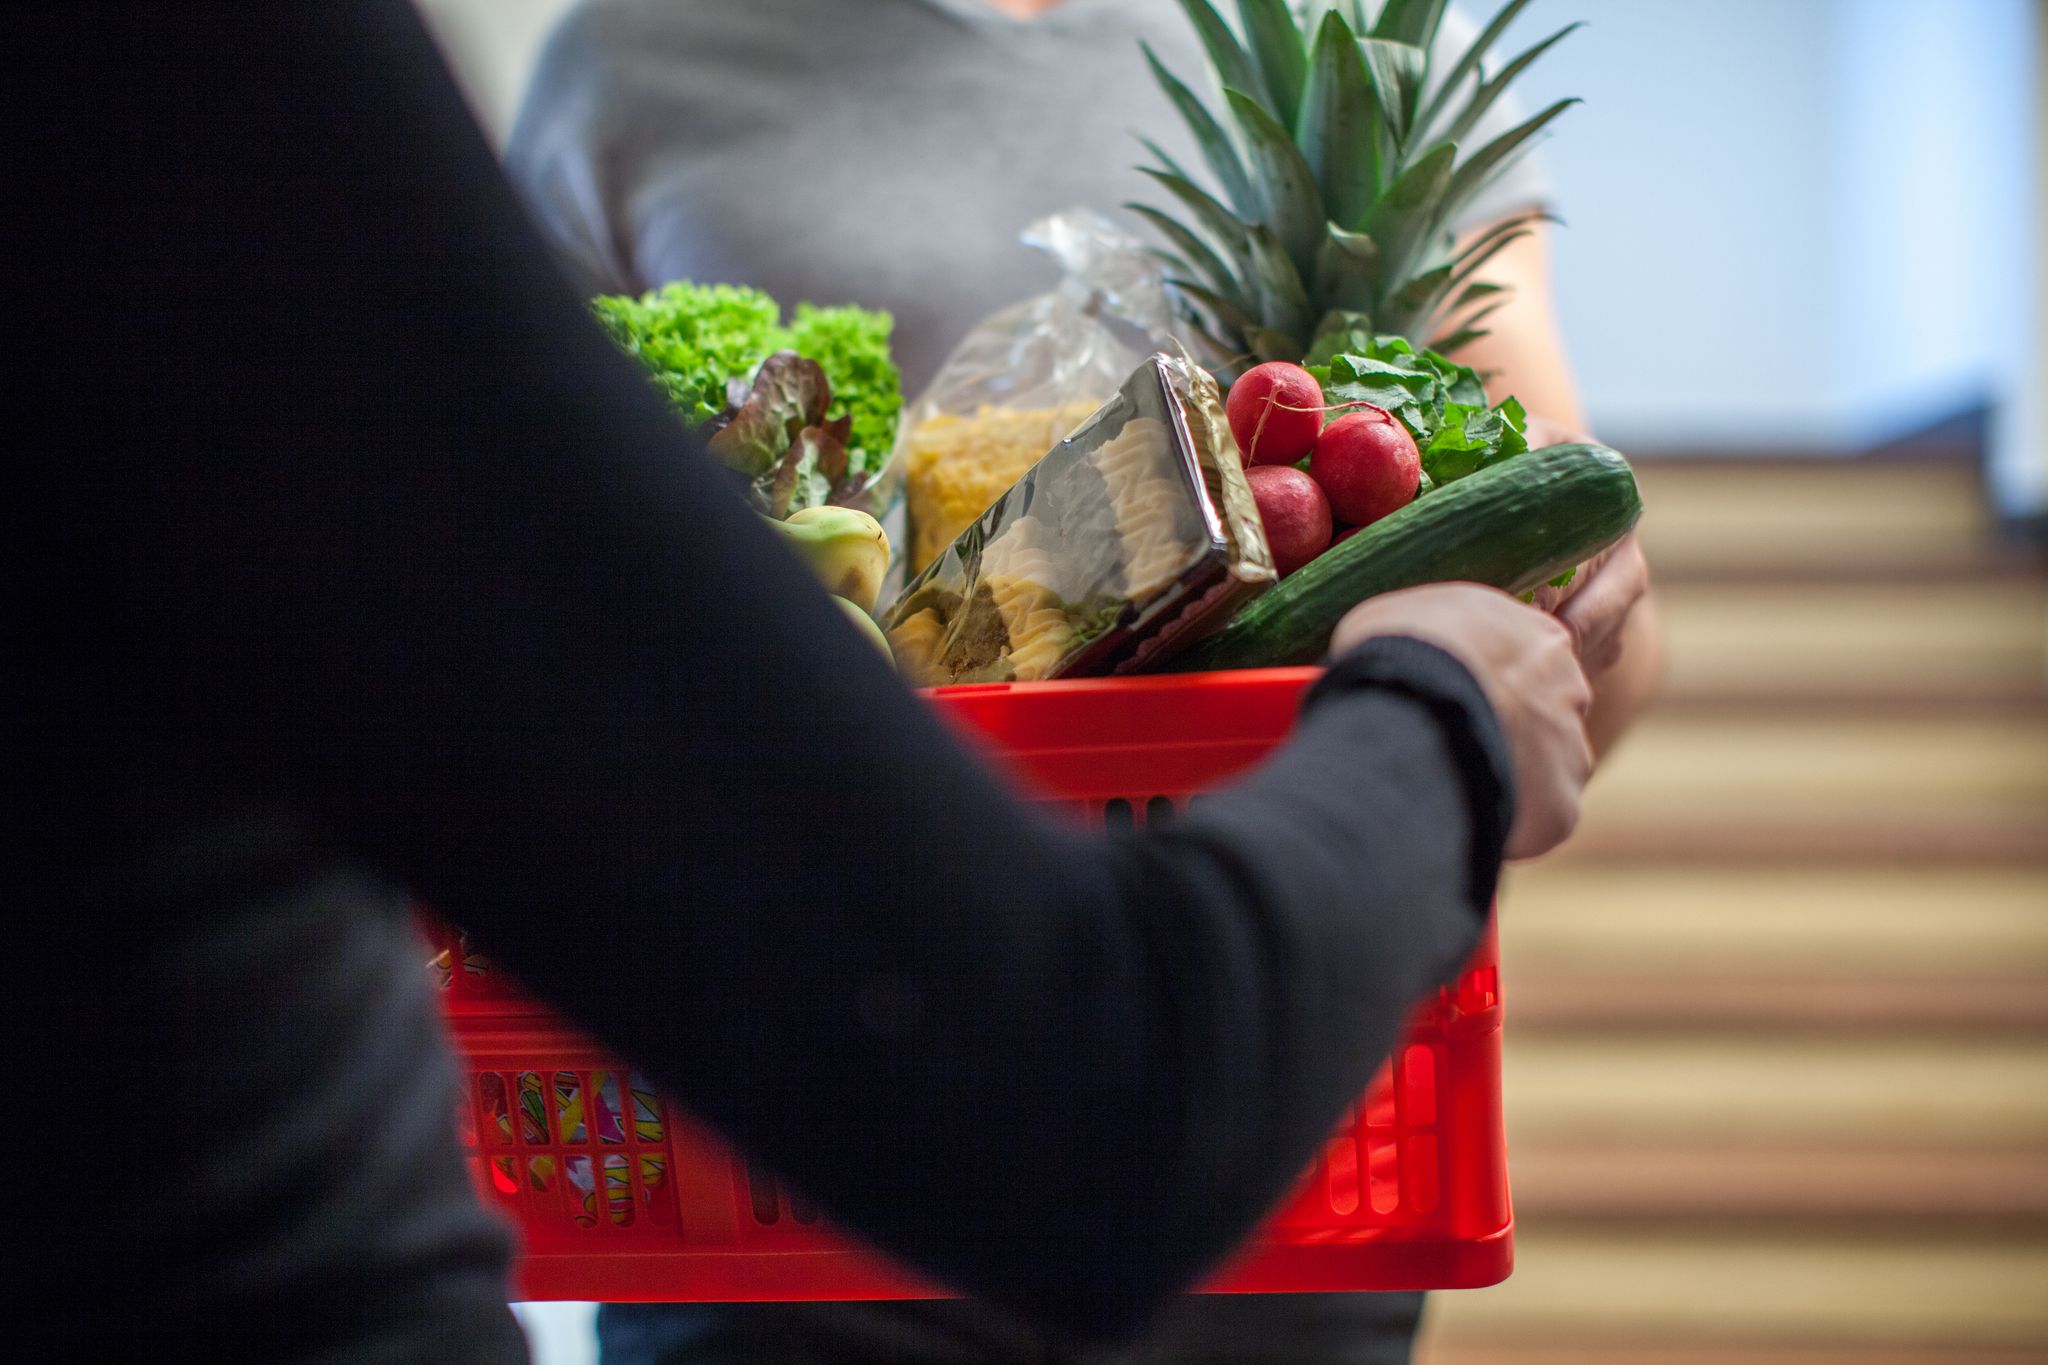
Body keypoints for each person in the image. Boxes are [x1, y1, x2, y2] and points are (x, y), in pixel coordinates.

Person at [9, 3, 1607, 1361]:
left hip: (1298, 1129)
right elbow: (1080, 1092)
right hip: (806, 1159)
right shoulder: (258, 76)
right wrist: (1436, 699)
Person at [505, 0, 1659, 1360]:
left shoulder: (1380, 51)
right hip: (790, 1184)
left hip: (1288, 1139)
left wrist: (1563, 620)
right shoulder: (635, 60)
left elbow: (1595, 663)